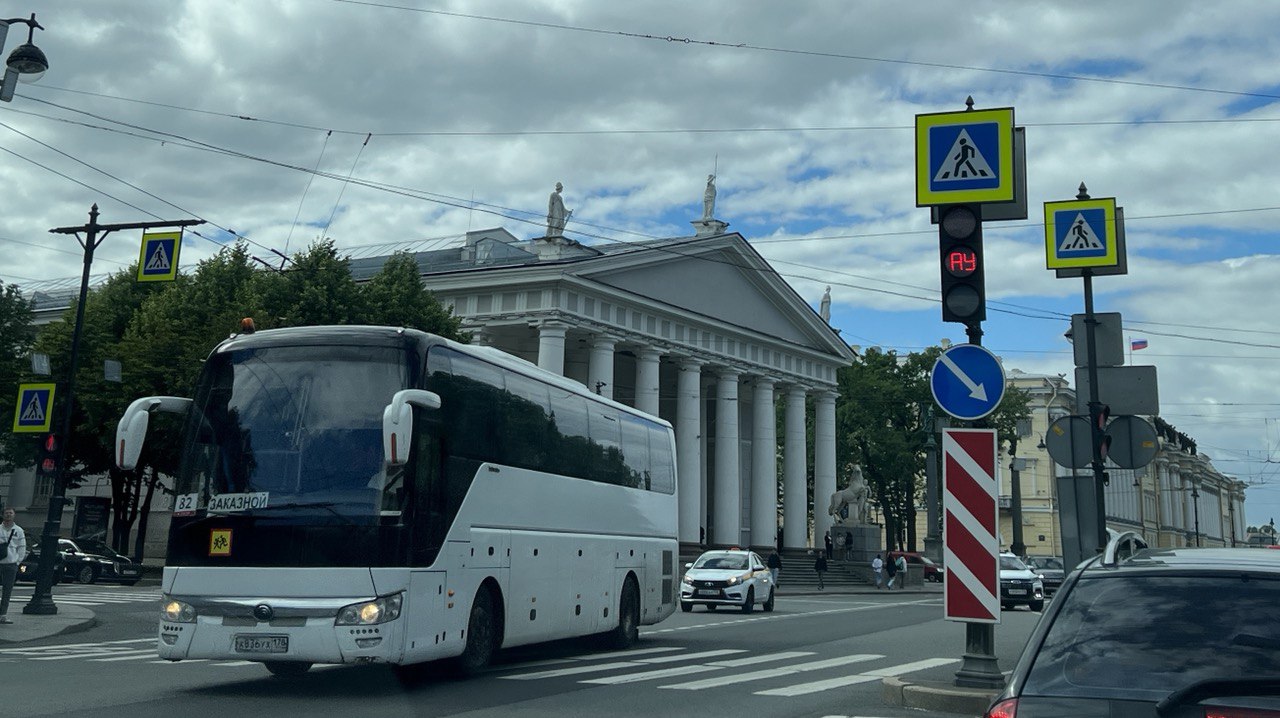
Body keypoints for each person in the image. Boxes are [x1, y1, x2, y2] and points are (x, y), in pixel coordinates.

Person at [0, 507, 27, 624]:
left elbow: (22, 547)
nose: (8, 515)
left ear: (14, 515)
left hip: (11, 564)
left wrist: (17, 562)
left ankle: (3, 615)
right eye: (6, 513)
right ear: (3, 515)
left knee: (7, 590)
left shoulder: (18, 531)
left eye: (11, 513)